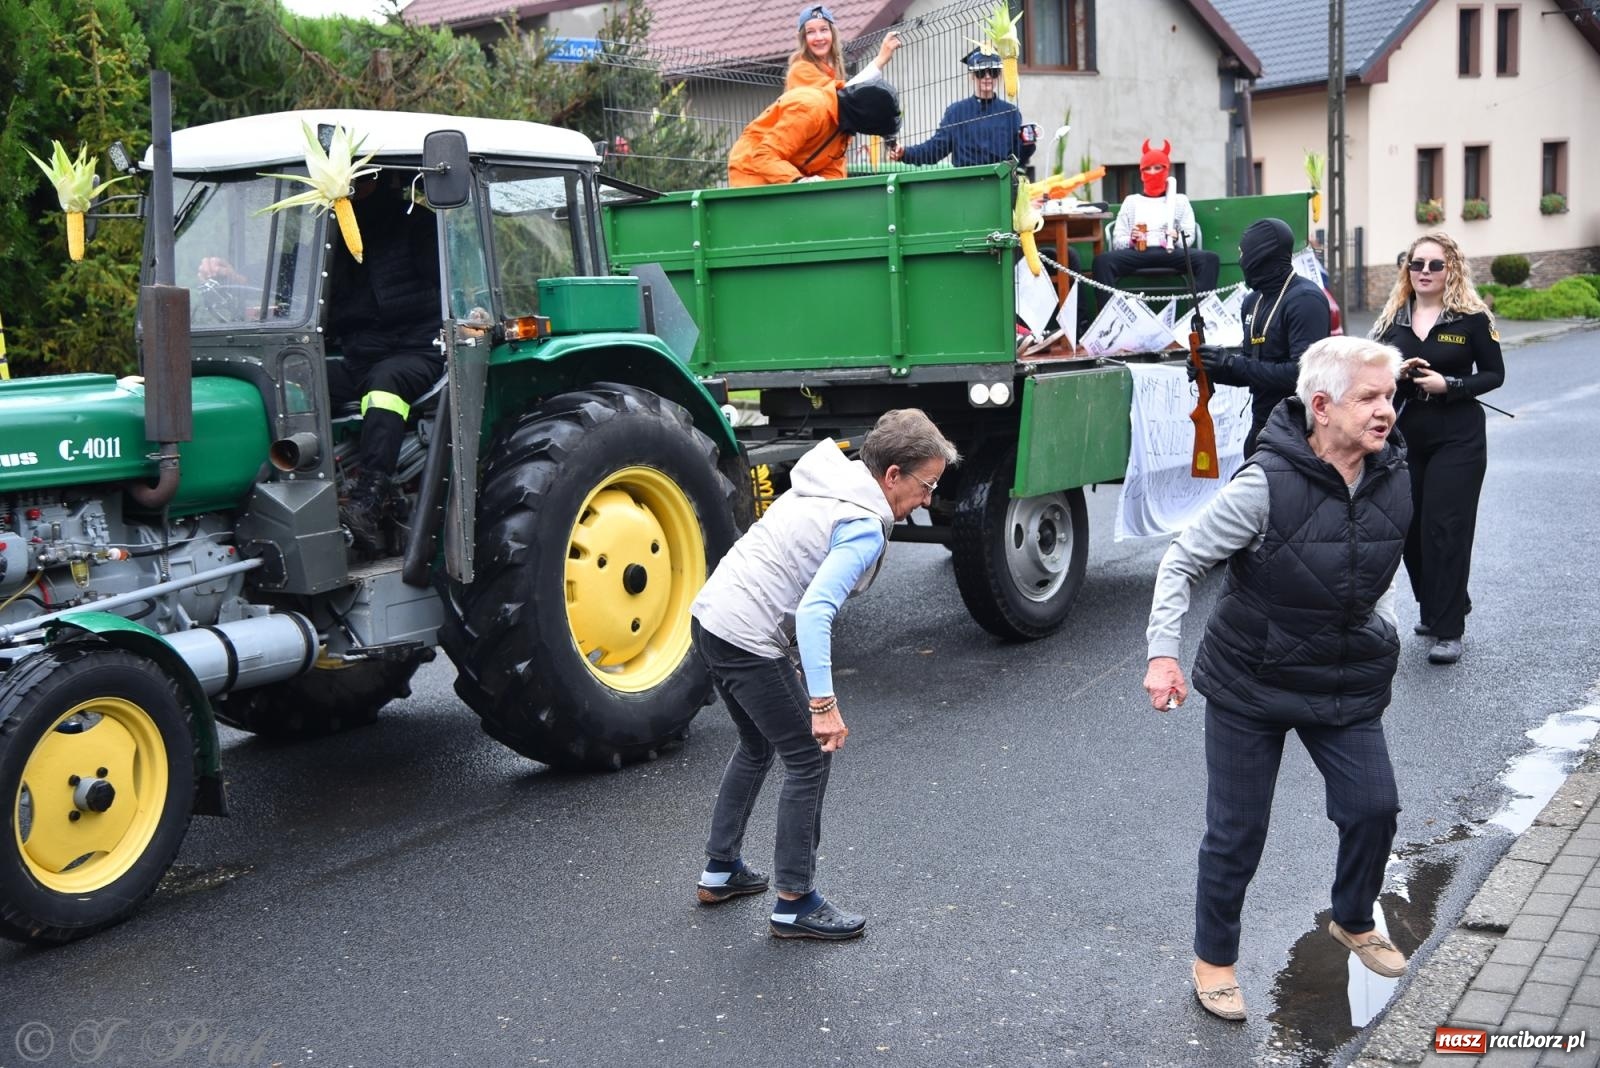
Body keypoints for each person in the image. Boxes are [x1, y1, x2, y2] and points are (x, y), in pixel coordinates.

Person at [1141, 336, 1413, 1021]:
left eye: (1390, 396)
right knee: (1236, 834)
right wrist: (1162, 654)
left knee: (1374, 806)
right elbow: (1181, 562)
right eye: (1370, 398)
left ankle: (1353, 916)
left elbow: (1374, 567)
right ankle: (1215, 960)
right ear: (1321, 406)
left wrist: (1385, 626)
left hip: (1341, 677)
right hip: (1250, 684)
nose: (1387, 411)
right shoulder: (1264, 485)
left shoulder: (1393, 472)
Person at [690, 409, 958, 940]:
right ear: (892, 476)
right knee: (809, 756)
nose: (928, 499)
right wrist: (822, 704)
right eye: (927, 485)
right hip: (745, 635)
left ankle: (720, 871)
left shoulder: (827, 482)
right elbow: (815, 611)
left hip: (710, 619)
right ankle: (794, 902)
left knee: (756, 745)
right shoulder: (863, 524)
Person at [1371, 231, 1504, 665]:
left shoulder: (1471, 318)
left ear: (1452, 269)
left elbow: (1494, 375)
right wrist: (1399, 371)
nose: (1424, 272)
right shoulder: (1393, 318)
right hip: (1409, 432)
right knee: (1409, 527)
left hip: (1459, 433)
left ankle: (1449, 629)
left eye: (1434, 265)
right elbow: (1373, 373)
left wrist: (1452, 384)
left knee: (1446, 527)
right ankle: (1439, 603)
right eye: (1416, 264)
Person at [1193, 218, 1331, 455]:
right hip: (1260, 428)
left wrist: (1232, 363)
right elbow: (1251, 369)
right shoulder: (1252, 301)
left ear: (1259, 257)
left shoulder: (1305, 300)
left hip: (1298, 433)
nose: (1240, 261)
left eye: (1243, 254)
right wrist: (1211, 367)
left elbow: (1302, 376)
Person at [1091, 138, 1220, 295]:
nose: (1152, 172)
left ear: (1166, 170)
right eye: (1147, 169)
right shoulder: (1132, 201)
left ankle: (1200, 315)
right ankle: (1109, 317)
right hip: (1138, 253)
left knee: (1209, 259)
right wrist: (1131, 239)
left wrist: (1177, 236)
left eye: (1158, 168)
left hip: (1171, 252)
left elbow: (1190, 236)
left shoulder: (1180, 200)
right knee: (1101, 262)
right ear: (1141, 173)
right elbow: (1118, 240)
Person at [727, 78, 900, 187]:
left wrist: (827, 188)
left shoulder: (843, 129)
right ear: (866, 120)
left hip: (791, 177)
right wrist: (798, 181)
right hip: (751, 171)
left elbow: (833, 172)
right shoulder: (809, 109)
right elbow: (764, 156)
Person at [887, 49, 1036, 169]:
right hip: (965, 186)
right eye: (980, 72)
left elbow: (1017, 157)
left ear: (998, 75)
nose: (987, 77)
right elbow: (935, 150)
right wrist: (905, 153)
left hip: (1000, 185)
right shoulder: (956, 112)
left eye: (993, 71)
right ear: (971, 75)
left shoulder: (1010, 112)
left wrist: (1028, 144)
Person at [787, 5, 900, 92]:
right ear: (803, 38)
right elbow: (841, 97)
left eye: (824, 29)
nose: (819, 37)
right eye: (810, 32)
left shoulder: (830, 67)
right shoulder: (800, 70)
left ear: (833, 34)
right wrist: (880, 60)